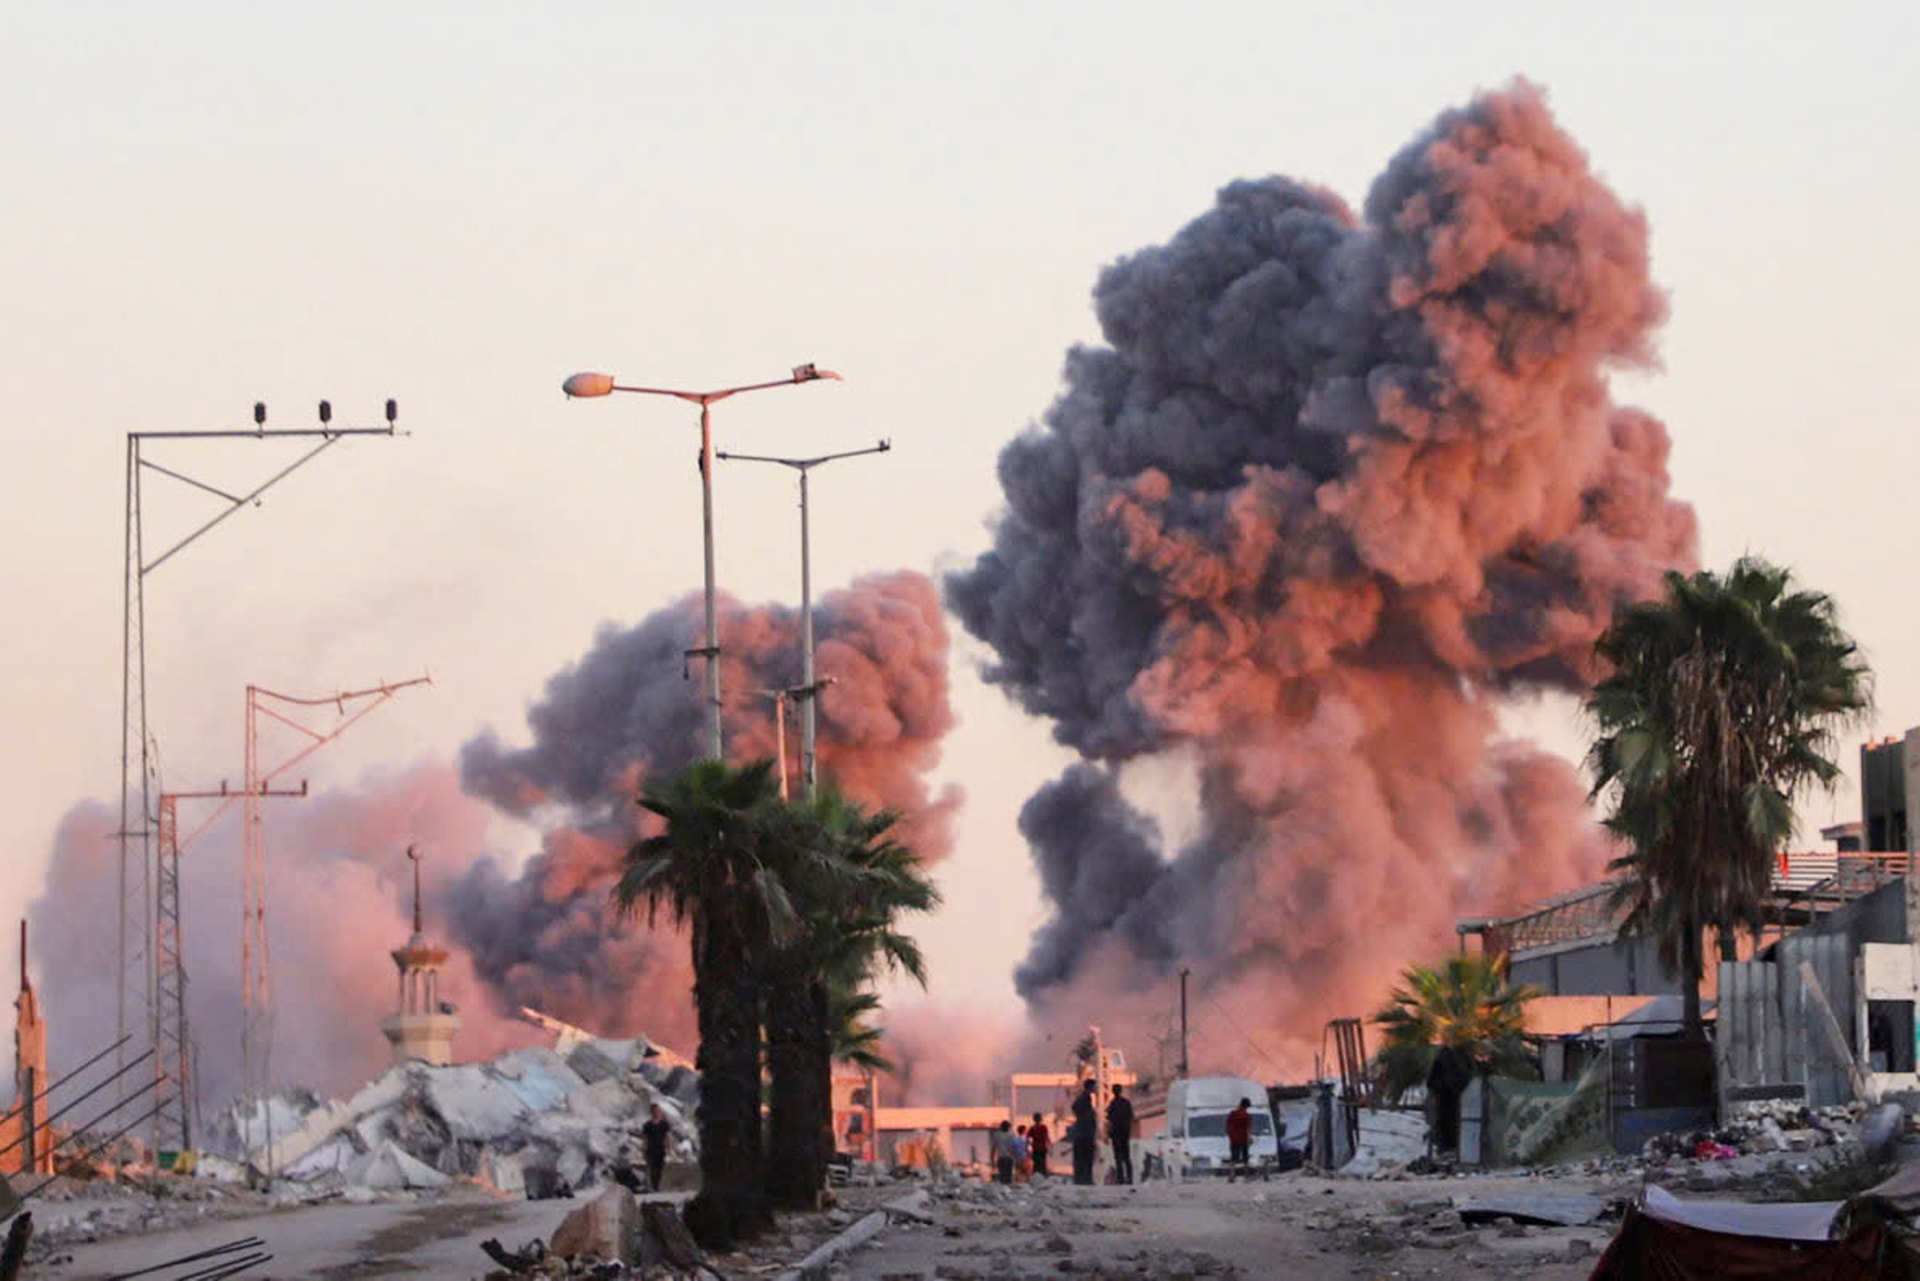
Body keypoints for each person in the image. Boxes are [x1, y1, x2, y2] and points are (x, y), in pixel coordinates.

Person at [1106, 1083, 1135, 1185]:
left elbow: (1109, 1118)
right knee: (1126, 1156)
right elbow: (1131, 1116)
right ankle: (1130, 1177)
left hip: (1116, 1133)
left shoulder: (1112, 1104)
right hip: (1125, 1132)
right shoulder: (1126, 1103)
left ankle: (1120, 1177)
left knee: (1118, 1156)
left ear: (1113, 1092)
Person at [1071, 1078, 1098, 1185]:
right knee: (1087, 1158)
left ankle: (1080, 1178)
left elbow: (1074, 1107)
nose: (1096, 1088)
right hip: (1086, 1134)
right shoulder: (1086, 1099)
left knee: (1081, 1158)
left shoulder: (1081, 1098)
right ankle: (1086, 1178)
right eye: (1094, 1086)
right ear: (1090, 1087)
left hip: (1081, 1133)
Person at [641, 1103, 672, 1193]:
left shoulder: (664, 1124)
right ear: (651, 1112)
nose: (656, 1112)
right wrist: (643, 1150)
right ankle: (654, 1187)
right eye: (654, 1111)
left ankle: (656, 1185)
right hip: (650, 1149)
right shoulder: (647, 1125)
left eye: (658, 1111)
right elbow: (645, 1139)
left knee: (659, 1168)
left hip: (660, 1149)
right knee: (652, 1168)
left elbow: (668, 1137)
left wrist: (669, 1149)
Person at [1225, 1097, 1254, 1183]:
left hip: (1234, 1139)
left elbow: (1228, 1126)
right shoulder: (1247, 1116)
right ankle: (1246, 1175)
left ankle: (1231, 1175)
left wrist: (1230, 1135)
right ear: (1246, 1106)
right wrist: (1249, 1138)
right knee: (1245, 1158)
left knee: (1233, 1158)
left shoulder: (1233, 1114)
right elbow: (1248, 1129)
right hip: (1243, 1139)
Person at [1028, 1112, 1052, 1178]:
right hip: (1042, 1149)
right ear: (1041, 1119)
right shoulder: (1043, 1127)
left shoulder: (1032, 1128)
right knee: (1042, 1163)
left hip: (1035, 1149)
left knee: (1036, 1164)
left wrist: (1029, 1150)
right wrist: (1050, 1146)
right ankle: (1043, 1176)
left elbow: (1029, 1141)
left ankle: (1036, 1176)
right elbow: (1046, 1138)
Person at [993, 1118, 1016, 1185]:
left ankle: (1003, 1188)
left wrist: (992, 1157)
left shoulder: (997, 1134)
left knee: (1002, 1176)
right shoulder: (1011, 1135)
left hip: (1001, 1159)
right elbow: (1012, 1147)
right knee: (1008, 1176)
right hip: (1009, 1158)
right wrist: (1014, 1156)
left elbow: (994, 1147)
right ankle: (1008, 1188)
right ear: (1008, 1127)